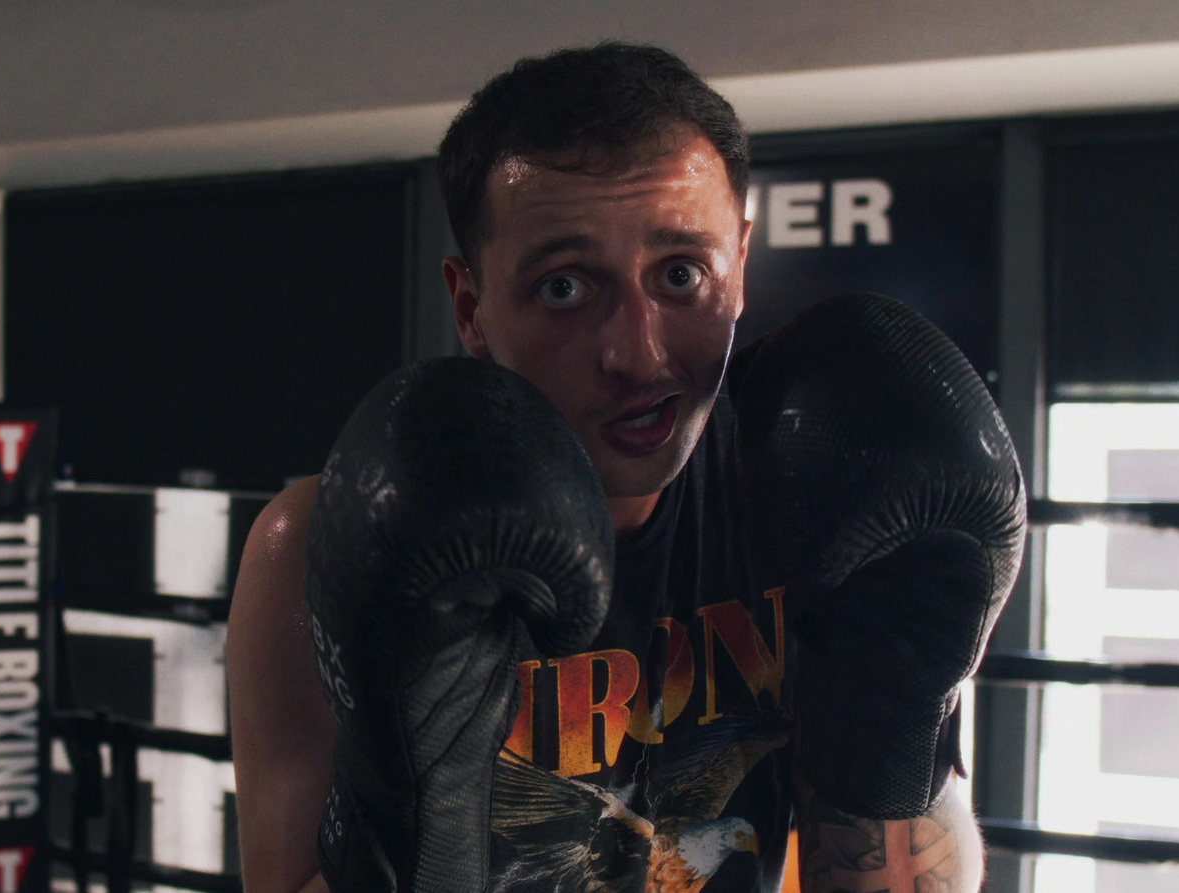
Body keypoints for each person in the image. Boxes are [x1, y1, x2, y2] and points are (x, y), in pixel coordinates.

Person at [228, 42, 1016, 893]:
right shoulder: (318, 547)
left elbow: (887, 878)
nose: (637, 355)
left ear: (740, 267)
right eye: (566, 287)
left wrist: (895, 727)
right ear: (471, 306)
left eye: (681, 274)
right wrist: (411, 810)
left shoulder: (817, 494)